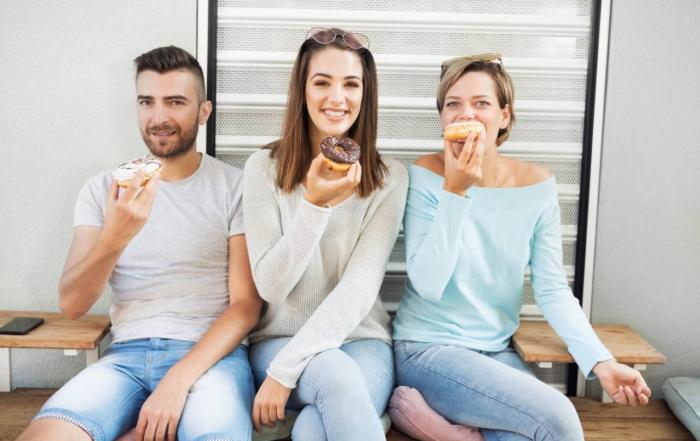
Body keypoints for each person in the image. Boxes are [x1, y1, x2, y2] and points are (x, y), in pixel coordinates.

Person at [389, 54, 652, 441]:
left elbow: (552, 290)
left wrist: (602, 362)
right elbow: (428, 284)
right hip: (427, 350)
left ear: (505, 116)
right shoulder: (426, 174)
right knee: (559, 417)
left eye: (481, 104)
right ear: (442, 118)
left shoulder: (538, 187)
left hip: (497, 352)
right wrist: (455, 191)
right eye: (453, 104)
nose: (466, 114)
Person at [18, 46, 261, 441]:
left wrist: (177, 381)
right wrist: (115, 236)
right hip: (125, 358)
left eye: (175, 102)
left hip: (211, 360)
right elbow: (73, 305)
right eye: (147, 102)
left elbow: (246, 307)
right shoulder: (102, 190)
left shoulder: (235, 188)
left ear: (204, 111)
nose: (158, 117)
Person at [242, 27, 408, 441]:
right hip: (279, 339)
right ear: (302, 89)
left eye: (351, 84)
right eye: (322, 83)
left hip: (361, 342)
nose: (337, 98)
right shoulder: (262, 169)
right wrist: (313, 206)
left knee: (316, 431)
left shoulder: (389, 179)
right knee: (334, 378)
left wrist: (285, 375)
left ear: (365, 95)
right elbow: (272, 287)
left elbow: (358, 290)